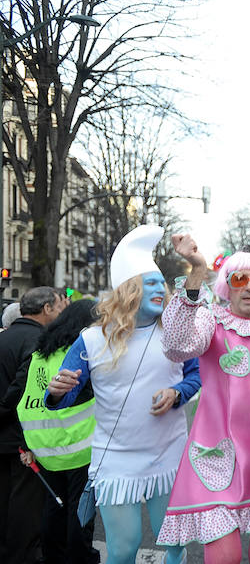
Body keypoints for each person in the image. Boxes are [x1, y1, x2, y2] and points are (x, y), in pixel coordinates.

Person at [45, 226, 201, 564]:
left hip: (169, 453)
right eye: (151, 282)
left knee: (174, 543)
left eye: (162, 282)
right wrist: (56, 392)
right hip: (116, 460)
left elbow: (195, 376)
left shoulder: (174, 334)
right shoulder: (91, 339)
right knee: (123, 548)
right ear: (129, 290)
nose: (161, 288)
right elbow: (63, 394)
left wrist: (177, 392)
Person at [155, 234, 250, 564]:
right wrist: (197, 269)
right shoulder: (211, 320)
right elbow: (177, 346)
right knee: (223, 557)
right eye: (240, 279)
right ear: (227, 285)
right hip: (215, 452)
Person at [17, 299, 101, 564]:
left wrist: (26, 444)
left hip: (45, 447)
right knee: (80, 515)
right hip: (80, 447)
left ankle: (54, 558)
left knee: (54, 511)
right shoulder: (83, 352)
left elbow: (20, 396)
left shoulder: (40, 354)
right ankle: (81, 559)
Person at [0, 286, 66, 563]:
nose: (64, 310)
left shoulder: (4, 338)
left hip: (5, 438)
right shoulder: (42, 342)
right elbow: (23, 390)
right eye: (60, 305)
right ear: (46, 308)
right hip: (24, 442)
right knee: (25, 512)